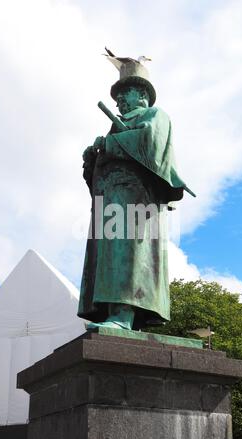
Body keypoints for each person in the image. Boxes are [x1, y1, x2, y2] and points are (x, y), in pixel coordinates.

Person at [77, 62, 194, 330]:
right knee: (108, 257)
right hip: (109, 198)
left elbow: (150, 144)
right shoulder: (117, 127)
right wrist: (93, 160)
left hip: (135, 197)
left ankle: (124, 315)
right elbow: (100, 172)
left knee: (130, 253)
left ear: (141, 93)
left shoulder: (155, 116)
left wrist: (110, 144)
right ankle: (114, 314)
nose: (118, 100)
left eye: (124, 92)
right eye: (118, 96)